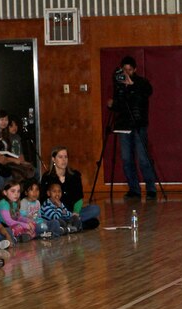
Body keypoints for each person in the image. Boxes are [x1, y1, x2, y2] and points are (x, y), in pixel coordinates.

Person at [108, 55, 158, 199]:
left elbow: (148, 91)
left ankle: (151, 189)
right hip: (124, 125)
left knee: (143, 159)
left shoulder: (141, 83)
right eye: (124, 70)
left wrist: (132, 84)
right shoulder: (119, 85)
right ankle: (134, 189)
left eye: (130, 70)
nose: (127, 73)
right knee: (126, 159)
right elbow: (119, 105)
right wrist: (112, 104)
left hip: (138, 125)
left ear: (135, 70)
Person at [42, 146, 100, 229]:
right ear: (53, 159)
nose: (64, 160)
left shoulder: (75, 175)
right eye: (60, 157)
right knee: (93, 222)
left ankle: (70, 224)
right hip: (55, 212)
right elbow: (43, 199)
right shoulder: (47, 177)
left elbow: (79, 198)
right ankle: (75, 225)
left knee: (95, 209)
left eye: (66, 157)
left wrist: (76, 212)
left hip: (72, 213)